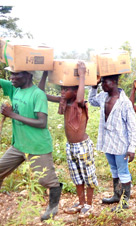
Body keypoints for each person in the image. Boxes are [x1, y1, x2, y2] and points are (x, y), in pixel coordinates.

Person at [0, 38, 62, 221]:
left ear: (28, 76)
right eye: (11, 75)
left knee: (47, 180)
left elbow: (41, 123)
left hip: (37, 146)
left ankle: (53, 208)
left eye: (16, 75)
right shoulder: (15, 89)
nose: (12, 78)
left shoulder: (37, 95)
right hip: (19, 145)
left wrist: (11, 114)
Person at [36, 62, 97, 216]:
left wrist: (82, 75)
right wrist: (44, 73)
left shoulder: (80, 103)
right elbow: (40, 92)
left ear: (76, 90)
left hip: (82, 146)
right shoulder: (64, 102)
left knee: (88, 176)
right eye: (62, 89)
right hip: (70, 146)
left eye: (66, 89)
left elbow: (80, 97)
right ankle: (81, 203)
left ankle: (89, 205)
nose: (62, 92)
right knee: (76, 176)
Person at [88, 74, 136, 210]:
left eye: (105, 82)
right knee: (114, 170)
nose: (102, 85)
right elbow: (91, 100)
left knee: (123, 171)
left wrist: (132, 147)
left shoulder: (125, 102)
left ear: (114, 82)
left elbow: (132, 127)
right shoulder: (103, 97)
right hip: (108, 142)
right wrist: (94, 86)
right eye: (102, 82)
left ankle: (125, 202)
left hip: (121, 143)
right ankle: (117, 195)